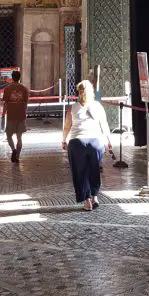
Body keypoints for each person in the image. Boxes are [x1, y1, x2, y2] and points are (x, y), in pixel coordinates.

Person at [62, 80, 112, 210]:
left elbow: (67, 126)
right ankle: (95, 197)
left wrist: (63, 140)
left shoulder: (72, 107)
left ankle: (87, 201)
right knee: (94, 169)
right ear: (92, 91)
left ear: (78, 92)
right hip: (95, 142)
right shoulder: (98, 106)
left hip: (77, 142)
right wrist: (109, 140)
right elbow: (104, 125)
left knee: (80, 172)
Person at [1, 69, 29, 163]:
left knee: (9, 135)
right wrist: (25, 112)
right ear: (19, 78)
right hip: (21, 114)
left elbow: (5, 103)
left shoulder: (7, 89)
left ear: (12, 78)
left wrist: (3, 113)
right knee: (19, 137)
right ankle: (17, 157)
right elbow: (26, 103)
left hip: (11, 115)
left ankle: (13, 150)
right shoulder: (24, 89)